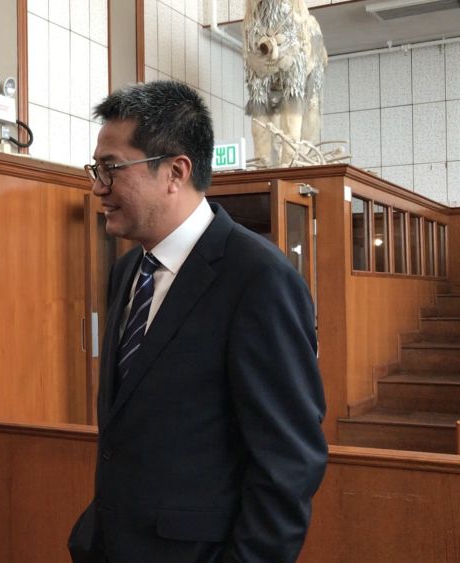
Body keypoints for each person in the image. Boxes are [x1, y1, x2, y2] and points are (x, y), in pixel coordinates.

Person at [68, 81, 327, 563]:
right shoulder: (127, 272)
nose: (97, 187)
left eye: (111, 169)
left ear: (175, 171)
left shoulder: (259, 280)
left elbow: (289, 464)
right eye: (95, 169)